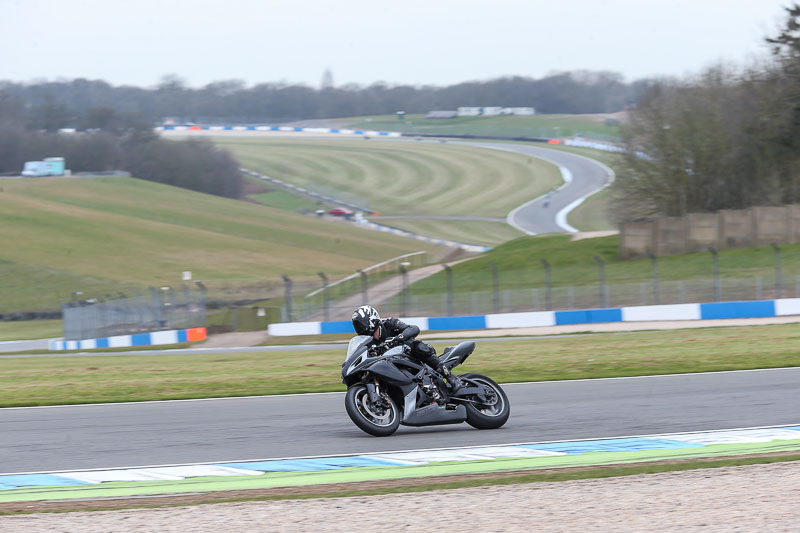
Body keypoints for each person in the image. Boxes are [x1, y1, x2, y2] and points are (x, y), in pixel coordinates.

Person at [351, 305, 463, 392]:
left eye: (361, 325)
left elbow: (413, 328)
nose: (359, 328)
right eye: (357, 326)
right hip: (393, 366)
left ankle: (451, 377)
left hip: (411, 356)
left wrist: (398, 338)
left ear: (371, 320)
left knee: (417, 346)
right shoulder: (368, 342)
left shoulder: (389, 323)